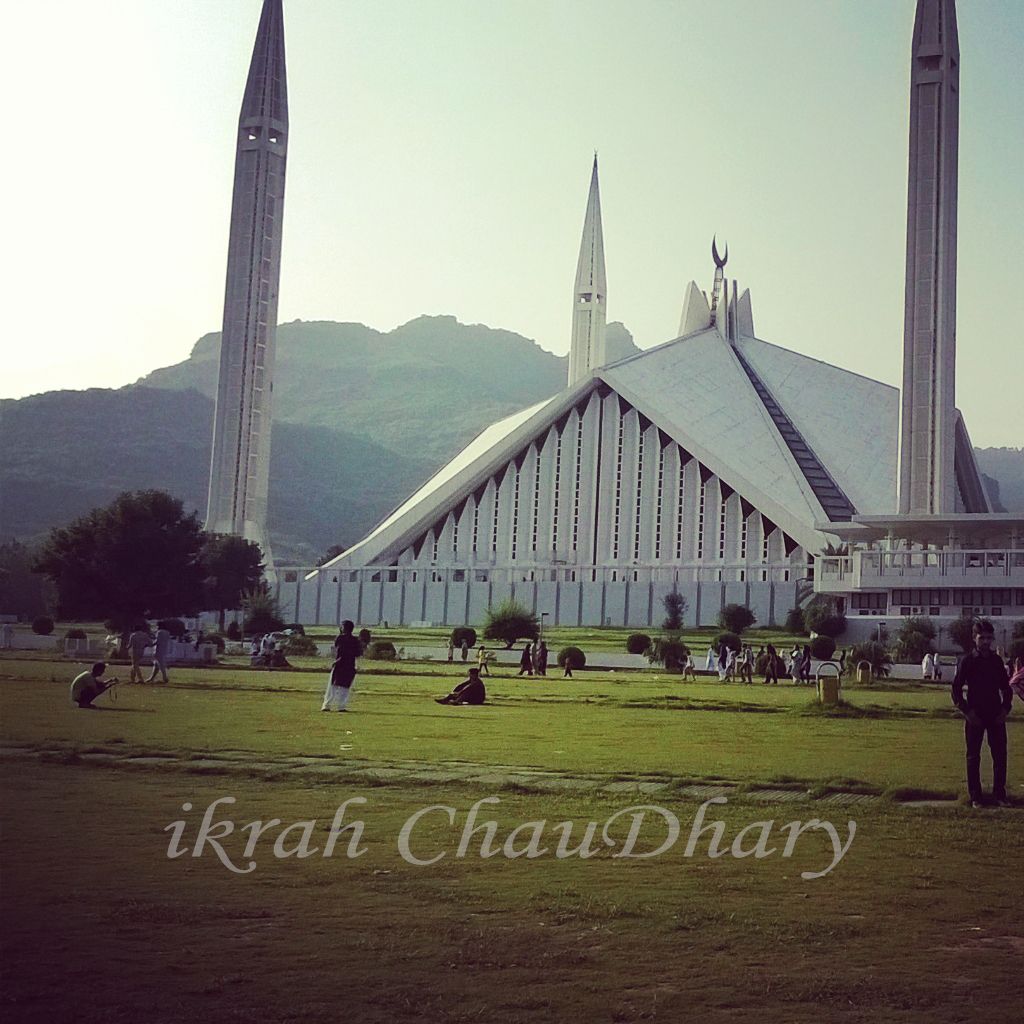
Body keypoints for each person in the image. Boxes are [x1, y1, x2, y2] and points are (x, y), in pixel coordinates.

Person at [952, 621, 1013, 808]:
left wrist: (1005, 709)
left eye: (989, 638)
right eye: (982, 638)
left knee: (1000, 756)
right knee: (973, 757)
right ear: (974, 638)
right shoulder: (968, 661)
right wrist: (967, 711)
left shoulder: (996, 661)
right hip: (975, 715)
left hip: (995, 714)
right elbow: (956, 689)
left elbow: (1006, 688)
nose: (986, 641)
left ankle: (999, 795)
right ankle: (975, 797)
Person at [322, 620, 362, 712]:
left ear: (344, 628)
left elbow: (337, 649)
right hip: (350, 665)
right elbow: (358, 653)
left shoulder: (340, 638)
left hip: (339, 664)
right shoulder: (355, 640)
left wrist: (337, 660)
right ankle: (341, 706)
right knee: (345, 687)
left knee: (332, 686)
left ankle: (326, 705)